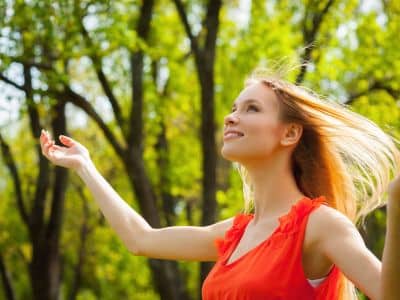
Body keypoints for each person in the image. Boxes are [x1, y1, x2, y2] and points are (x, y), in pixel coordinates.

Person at [40, 70, 400, 300]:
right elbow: (141, 239)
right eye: (233, 107)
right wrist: (85, 166)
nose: (232, 116)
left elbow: (388, 293)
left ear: (290, 133)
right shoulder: (236, 234)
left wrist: (396, 199)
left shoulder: (320, 225)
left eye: (252, 109)